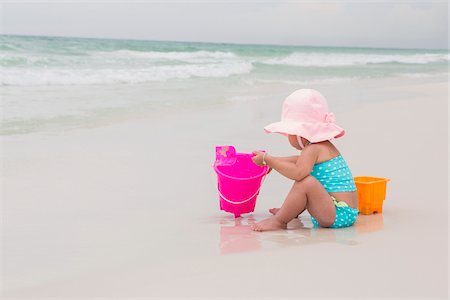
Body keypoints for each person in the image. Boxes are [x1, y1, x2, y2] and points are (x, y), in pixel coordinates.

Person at [251, 89, 358, 232]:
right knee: (309, 181)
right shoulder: (323, 147)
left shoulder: (312, 149)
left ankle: (279, 221)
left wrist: (268, 159)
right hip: (345, 211)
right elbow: (299, 161)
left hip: (336, 215)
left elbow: (298, 172)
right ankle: (290, 210)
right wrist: (273, 161)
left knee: (305, 182)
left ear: (301, 133)